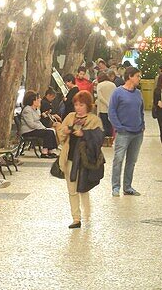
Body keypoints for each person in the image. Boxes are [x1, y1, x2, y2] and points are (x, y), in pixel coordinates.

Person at [55, 91, 105, 229]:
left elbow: (99, 139)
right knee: (72, 190)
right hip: (69, 158)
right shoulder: (70, 117)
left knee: (83, 188)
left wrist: (84, 134)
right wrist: (64, 131)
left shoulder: (94, 120)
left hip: (85, 162)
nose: (78, 107)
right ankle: (76, 218)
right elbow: (60, 136)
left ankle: (87, 215)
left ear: (87, 105)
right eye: (76, 104)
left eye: (81, 104)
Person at [108, 67, 145, 197]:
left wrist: (142, 124)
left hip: (137, 132)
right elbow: (111, 112)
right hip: (123, 132)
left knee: (132, 161)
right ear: (130, 76)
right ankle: (115, 187)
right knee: (118, 159)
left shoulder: (138, 93)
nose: (139, 79)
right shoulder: (118, 93)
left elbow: (141, 110)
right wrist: (119, 127)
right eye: (137, 76)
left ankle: (127, 187)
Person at [19, 92, 59, 158]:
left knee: (51, 131)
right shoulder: (27, 110)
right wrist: (41, 128)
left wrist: (43, 127)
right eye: (38, 99)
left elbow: (38, 121)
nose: (40, 100)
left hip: (35, 129)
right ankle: (44, 152)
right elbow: (31, 124)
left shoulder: (36, 109)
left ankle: (51, 150)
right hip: (28, 130)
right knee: (48, 133)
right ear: (33, 101)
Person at [96, 72, 117, 143]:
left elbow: (100, 97)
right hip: (112, 108)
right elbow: (116, 96)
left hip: (103, 108)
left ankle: (105, 141)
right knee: (110, 125)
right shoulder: (113, 85)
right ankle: (110, 140)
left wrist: (106, 103)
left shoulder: (99, 85)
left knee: (104, 124)